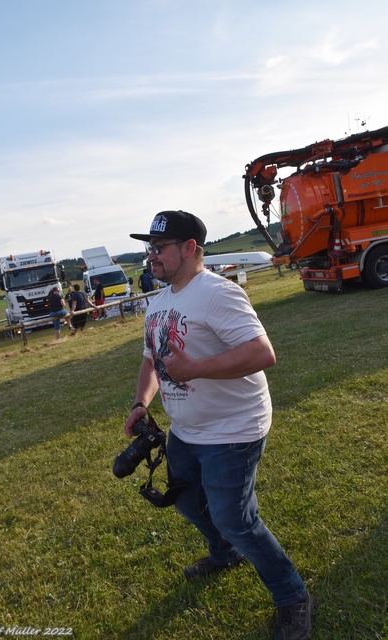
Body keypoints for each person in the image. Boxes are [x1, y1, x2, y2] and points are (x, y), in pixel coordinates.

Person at [124, 210, 313, 640]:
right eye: (149, 248)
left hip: (233, 428)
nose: (151, 256)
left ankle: (293, 597)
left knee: (235, 518)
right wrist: (141, 402)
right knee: (187, 502)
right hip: (185, 431)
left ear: (189, 248)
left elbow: (263, 354)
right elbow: (151, 360)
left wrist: (196, 369)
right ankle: (225, 554)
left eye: (159, 248)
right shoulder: (158, 301)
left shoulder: (217, 294)